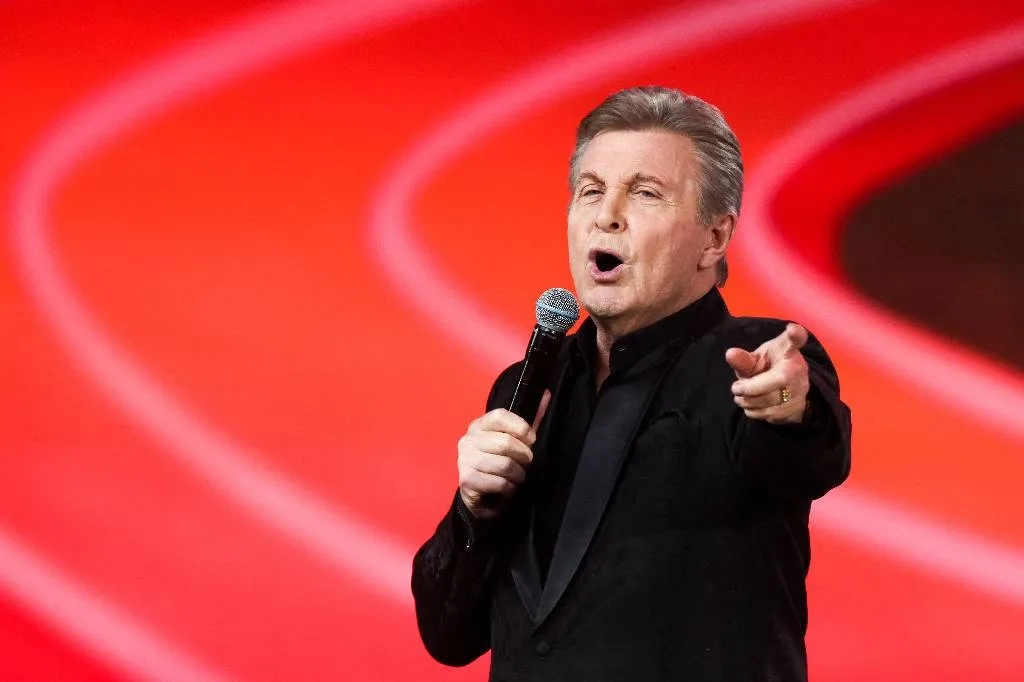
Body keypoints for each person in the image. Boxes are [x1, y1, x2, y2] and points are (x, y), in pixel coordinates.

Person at [411, 86, 852, 681]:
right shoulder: (529, 387)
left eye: (645, 193)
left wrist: (792, 407)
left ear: (714, 238)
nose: (607, 214)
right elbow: (448, 635)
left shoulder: (748, 362)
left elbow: (811, 451)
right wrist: (475, 508)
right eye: (591, 190)